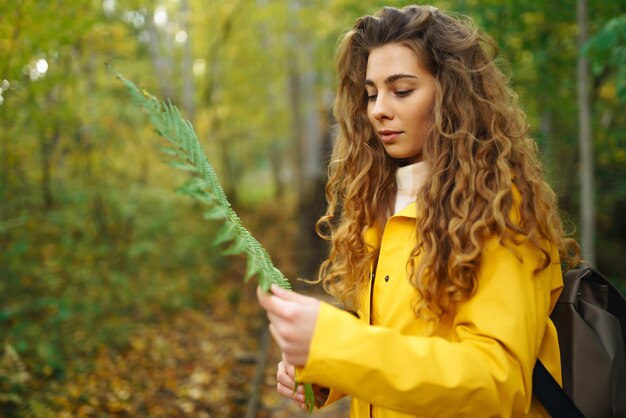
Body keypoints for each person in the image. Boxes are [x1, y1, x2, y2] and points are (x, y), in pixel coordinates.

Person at [257, 4, 579, 417]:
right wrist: (325, 372)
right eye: (371, 94)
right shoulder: (382, 206)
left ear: (452, 95)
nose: (378, 110)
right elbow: (400, 346)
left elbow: (497, 383)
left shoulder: (501, 211)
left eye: (402, 90)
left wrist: (338, 344)